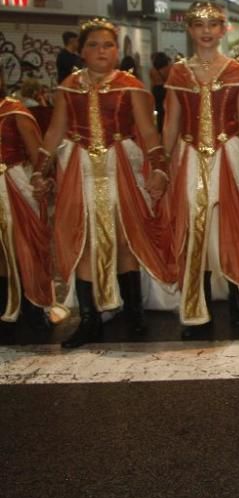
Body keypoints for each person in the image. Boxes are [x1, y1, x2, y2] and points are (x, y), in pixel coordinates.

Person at [33, 18, 173, 348]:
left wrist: (159, 168)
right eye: (93, 45)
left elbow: (149, 132)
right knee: (82, 241)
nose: (101, 50)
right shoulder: (69, 86)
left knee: (126, 239)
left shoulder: (130, 86)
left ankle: (134, 313)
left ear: (116, 50)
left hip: (120, 166)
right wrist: (40, 168)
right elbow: (54, 131)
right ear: (80, 51)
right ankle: (90, 320)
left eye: (108, 45)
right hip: (80, 169)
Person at [161, 1, 239, 340]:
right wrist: (162, 163)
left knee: (233, 223)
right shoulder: (178, 73)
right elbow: (171, 123)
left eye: (213, 25)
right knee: (194, 226)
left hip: (229, 152)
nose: (206, 32)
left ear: (223, 30)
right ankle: (197, 307)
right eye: (198, 25)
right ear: (189, 30)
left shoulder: (236, 71)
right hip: (191, 155)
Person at [0, 74, 55, 333]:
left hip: (15, 185)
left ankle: (33, 306)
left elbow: (38, 155)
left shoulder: (15, 111)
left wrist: (41, 183)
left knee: (25, 245)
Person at [149, 51, 171, 131]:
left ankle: (159, 128)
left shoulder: (152, 70)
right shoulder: (167, 69)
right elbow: (168, 80)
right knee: (166, 109)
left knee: (158, 110)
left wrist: (151, 93)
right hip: (164, 89)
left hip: (156, 90)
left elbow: (152, 82)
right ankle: (166, 126)